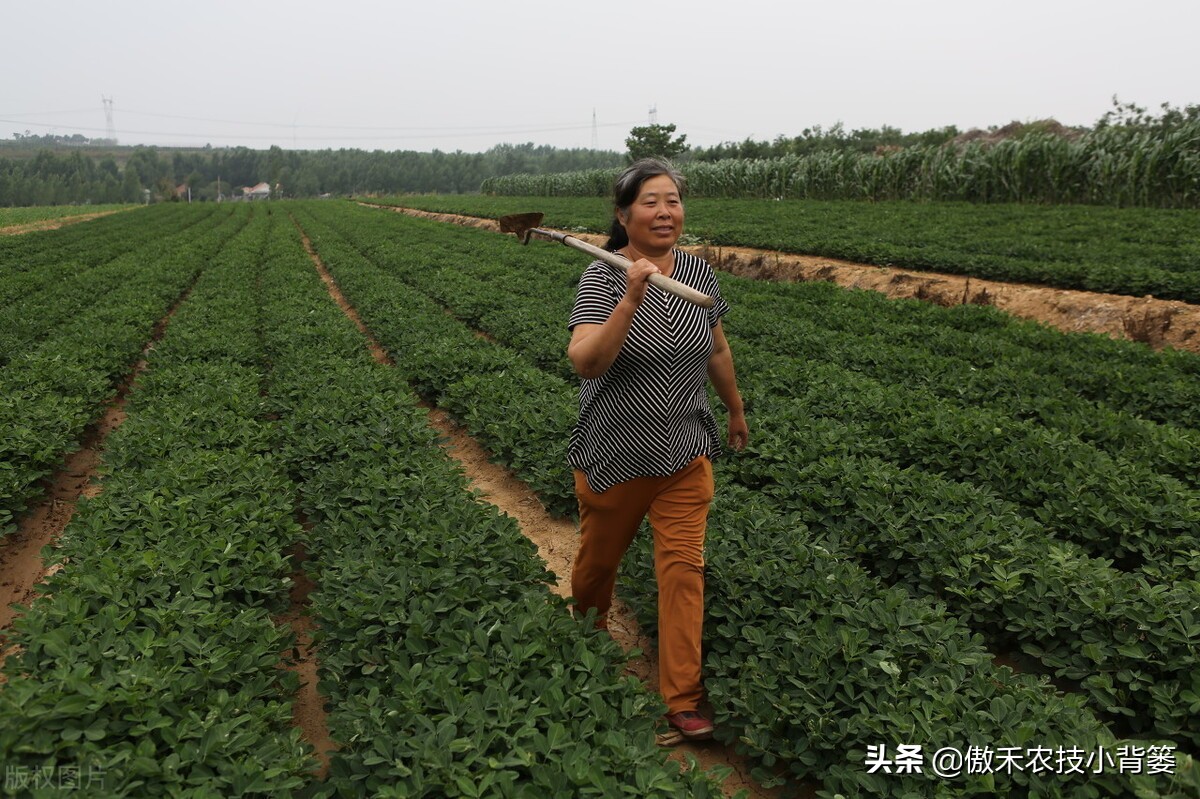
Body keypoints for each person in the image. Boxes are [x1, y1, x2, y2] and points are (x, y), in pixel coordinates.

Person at [566, 157, 748, 745]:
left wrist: (735, 409)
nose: (665, 211)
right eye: (650, 201)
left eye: (672, 200)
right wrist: (631, 297)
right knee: (598, 569)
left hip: (684, 452)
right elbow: (586, 361)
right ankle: (586, 639)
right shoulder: (602, 277)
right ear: (623, 215)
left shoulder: (697, 271)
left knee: (683, 572)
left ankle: (683, 699)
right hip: (617, 456)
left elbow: (714, 346)